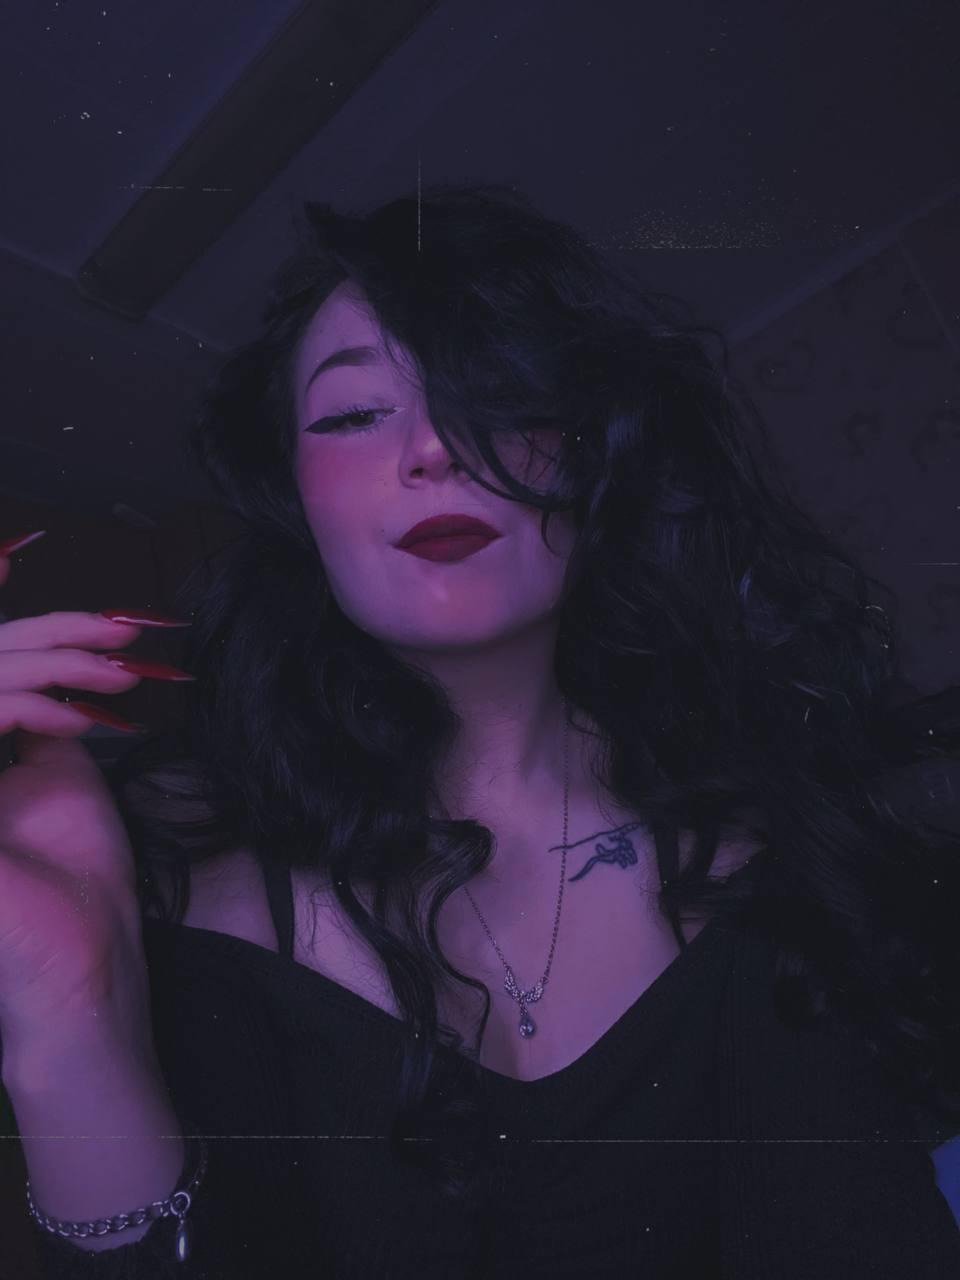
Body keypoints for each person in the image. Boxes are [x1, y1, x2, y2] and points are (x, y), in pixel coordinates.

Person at [1, 182, 959, 1278]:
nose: (433, 449)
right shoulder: (175, 879)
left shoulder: (766, 864)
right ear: (297, 500)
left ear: (593, 456)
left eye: (491, 394)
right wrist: (70, 1021)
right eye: (353, 414)